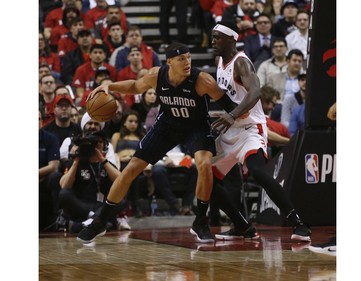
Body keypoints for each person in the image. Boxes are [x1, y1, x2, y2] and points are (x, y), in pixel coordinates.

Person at [77, 42, 241, 243]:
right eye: (181, 59)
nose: (187, 62)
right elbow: (135, 86)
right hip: (167, 126)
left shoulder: (202, 80)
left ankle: (200, 220)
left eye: (189, 57)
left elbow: (230, 106)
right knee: (131, 169)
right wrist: (108, 85)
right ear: (169, 62)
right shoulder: (156, 75)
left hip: (196, 127)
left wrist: (246, 118)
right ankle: (101, 220)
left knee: (205, 164)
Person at [210, 20, 311, 242]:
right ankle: (242, 225)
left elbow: (255, 92)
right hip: (231, 130)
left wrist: (232, 115)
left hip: (249, 128)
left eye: (218, 37)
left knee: (258, 172)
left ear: (231, 39)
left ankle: (298, 223)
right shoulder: (220, 62)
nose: (213, 41)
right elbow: (231, 97)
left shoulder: (241, 63)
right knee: (207, 178)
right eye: (213, 36)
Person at [58, 128, 129, 233]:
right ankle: (96, 219)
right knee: (64, 194)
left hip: (102, 206)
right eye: (94, 142)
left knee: (121, 197)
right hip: (82, 205)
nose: (97, 145)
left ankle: (87, 223)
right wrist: (77, 160)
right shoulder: (77, 162)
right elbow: (64, 185)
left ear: (104, 145)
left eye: (99, 142)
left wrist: (102, 159)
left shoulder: (106, 163)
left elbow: (122, 181)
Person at [39, 108, 63, 231]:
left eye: (37, 119)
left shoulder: (50, 138)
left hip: (44, 179)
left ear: (42, 122)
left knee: (56, 176)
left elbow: (53, 166)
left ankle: (57, 219)